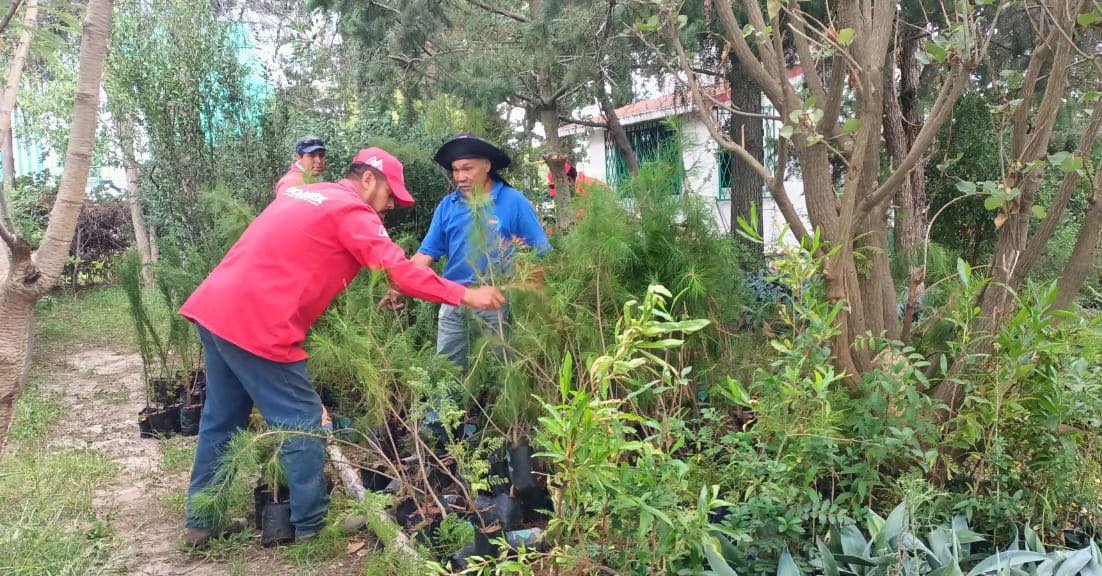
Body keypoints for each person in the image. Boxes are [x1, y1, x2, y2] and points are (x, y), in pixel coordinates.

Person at [179, 147, 505, 547]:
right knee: (303, 422)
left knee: (222, 419)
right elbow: (398, 271)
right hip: (258, 323)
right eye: (390, 196)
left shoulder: (304, 193)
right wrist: (466, 296)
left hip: (216, 309)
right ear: (368, 180)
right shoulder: (351, 211)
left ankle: (201, 522)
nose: (389, 207)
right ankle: (312, 528)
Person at [381, 133, 549, 369]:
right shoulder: (448, 206)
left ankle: (492, 407)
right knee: (445, 372)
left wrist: (534, 302)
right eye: (456, 170)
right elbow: (426, 254)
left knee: (502, 375)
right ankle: (441, 408)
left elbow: (539, 254)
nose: (460, 177)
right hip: (454, 300)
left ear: (487, 166)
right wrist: (398, 285)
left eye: (467, 169)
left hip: (498, 302)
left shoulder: (513, 201)